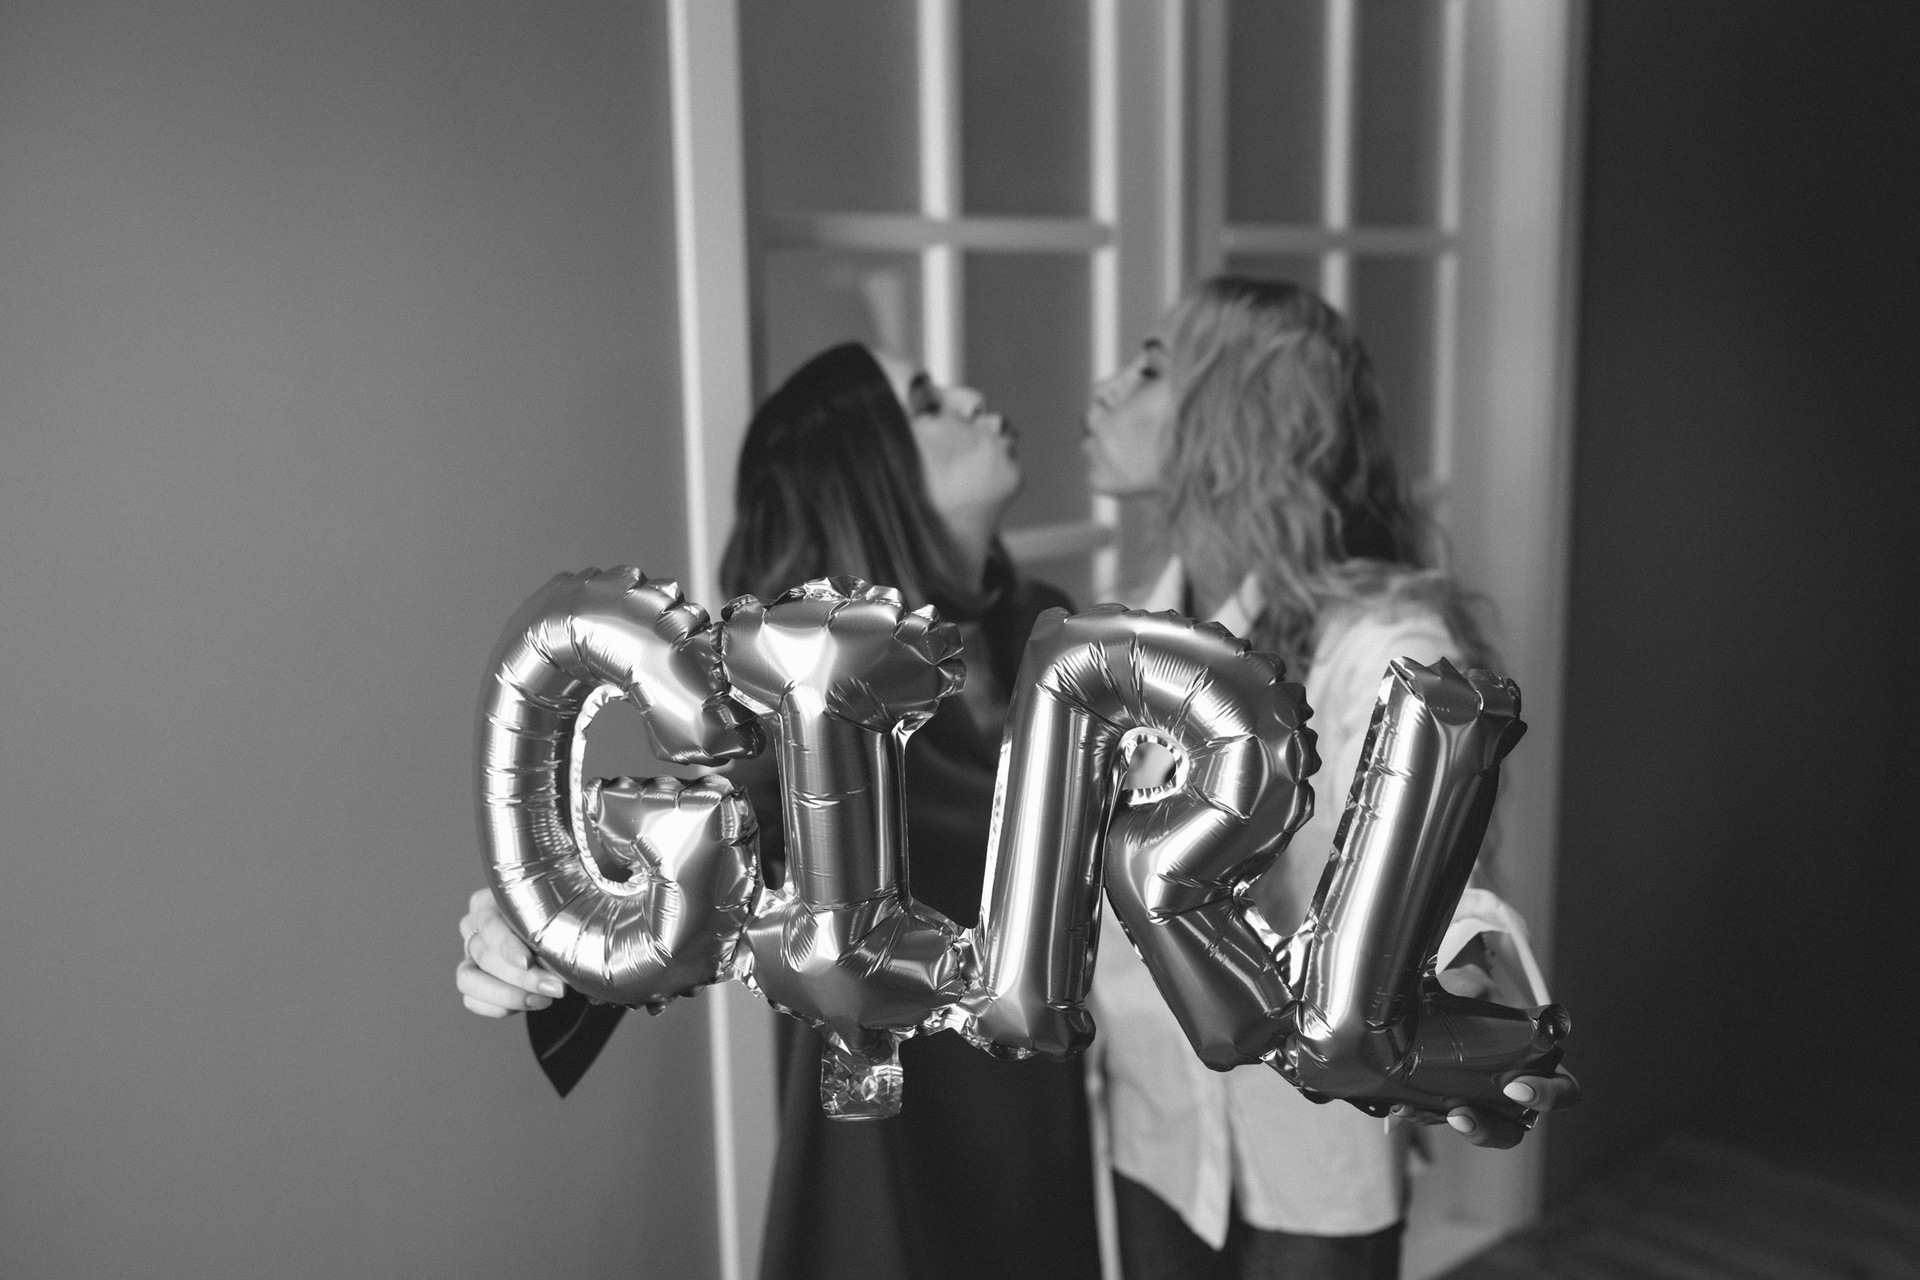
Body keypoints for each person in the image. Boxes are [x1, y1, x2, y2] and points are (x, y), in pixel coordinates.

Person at [456, 343, 1103, 1280]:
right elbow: (729, 821)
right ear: (860, 471)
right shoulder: (816, 704)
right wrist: (536, 928)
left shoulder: (1042, 626)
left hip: (1049, 1148)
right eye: (925, 402)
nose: (972, 395)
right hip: (899, 1173)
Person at [1080, 277, 1578, 1280]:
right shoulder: (1124, 638)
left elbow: (1434, 895)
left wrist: (1452, 987)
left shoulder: (1381, 647)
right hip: (1152, 1137)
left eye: (1152, 367)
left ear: (1238, 414)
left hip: (1311, 1160)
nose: (1107, 388)